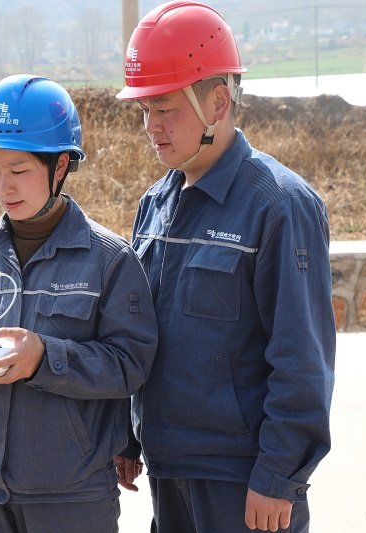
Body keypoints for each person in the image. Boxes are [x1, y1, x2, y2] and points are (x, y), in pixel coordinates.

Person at [113, 2, 336, 532]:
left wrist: (280, 476)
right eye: (145, 110)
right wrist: (127, 434)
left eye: (165, 109)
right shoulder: (155, 204)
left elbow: (302, 356)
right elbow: (139, 332)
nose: (152, 127)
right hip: (169, 470)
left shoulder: (279, 205)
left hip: (244, 481)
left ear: (217, 102)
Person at [0, 74, 158, 533]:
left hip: (69, 493)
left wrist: (46, 358)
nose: (4, 187)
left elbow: (132, 364)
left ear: (61, 165)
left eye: (20, 170)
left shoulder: (109, 260)